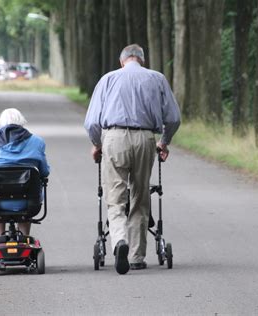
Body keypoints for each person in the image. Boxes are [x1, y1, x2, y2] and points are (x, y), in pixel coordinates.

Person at [84, 44, 181, 274]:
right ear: (142, 60)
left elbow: (91, 122)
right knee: (140, 195)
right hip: (146, 139)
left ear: (122, 61)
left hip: (114, 138)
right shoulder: (157, 79)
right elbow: (174, 118)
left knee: (115, 197)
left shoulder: (107, 79)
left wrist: (97, 145)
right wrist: (164, 142)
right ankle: (137, 256)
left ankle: (119, 241)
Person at [0, 108, 50, 236]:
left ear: (1, 123)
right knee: (31, 189)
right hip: (28, 203)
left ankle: (0, 237)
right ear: (22, 123)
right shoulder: (37, 142)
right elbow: (44, 172)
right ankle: (25, 236)